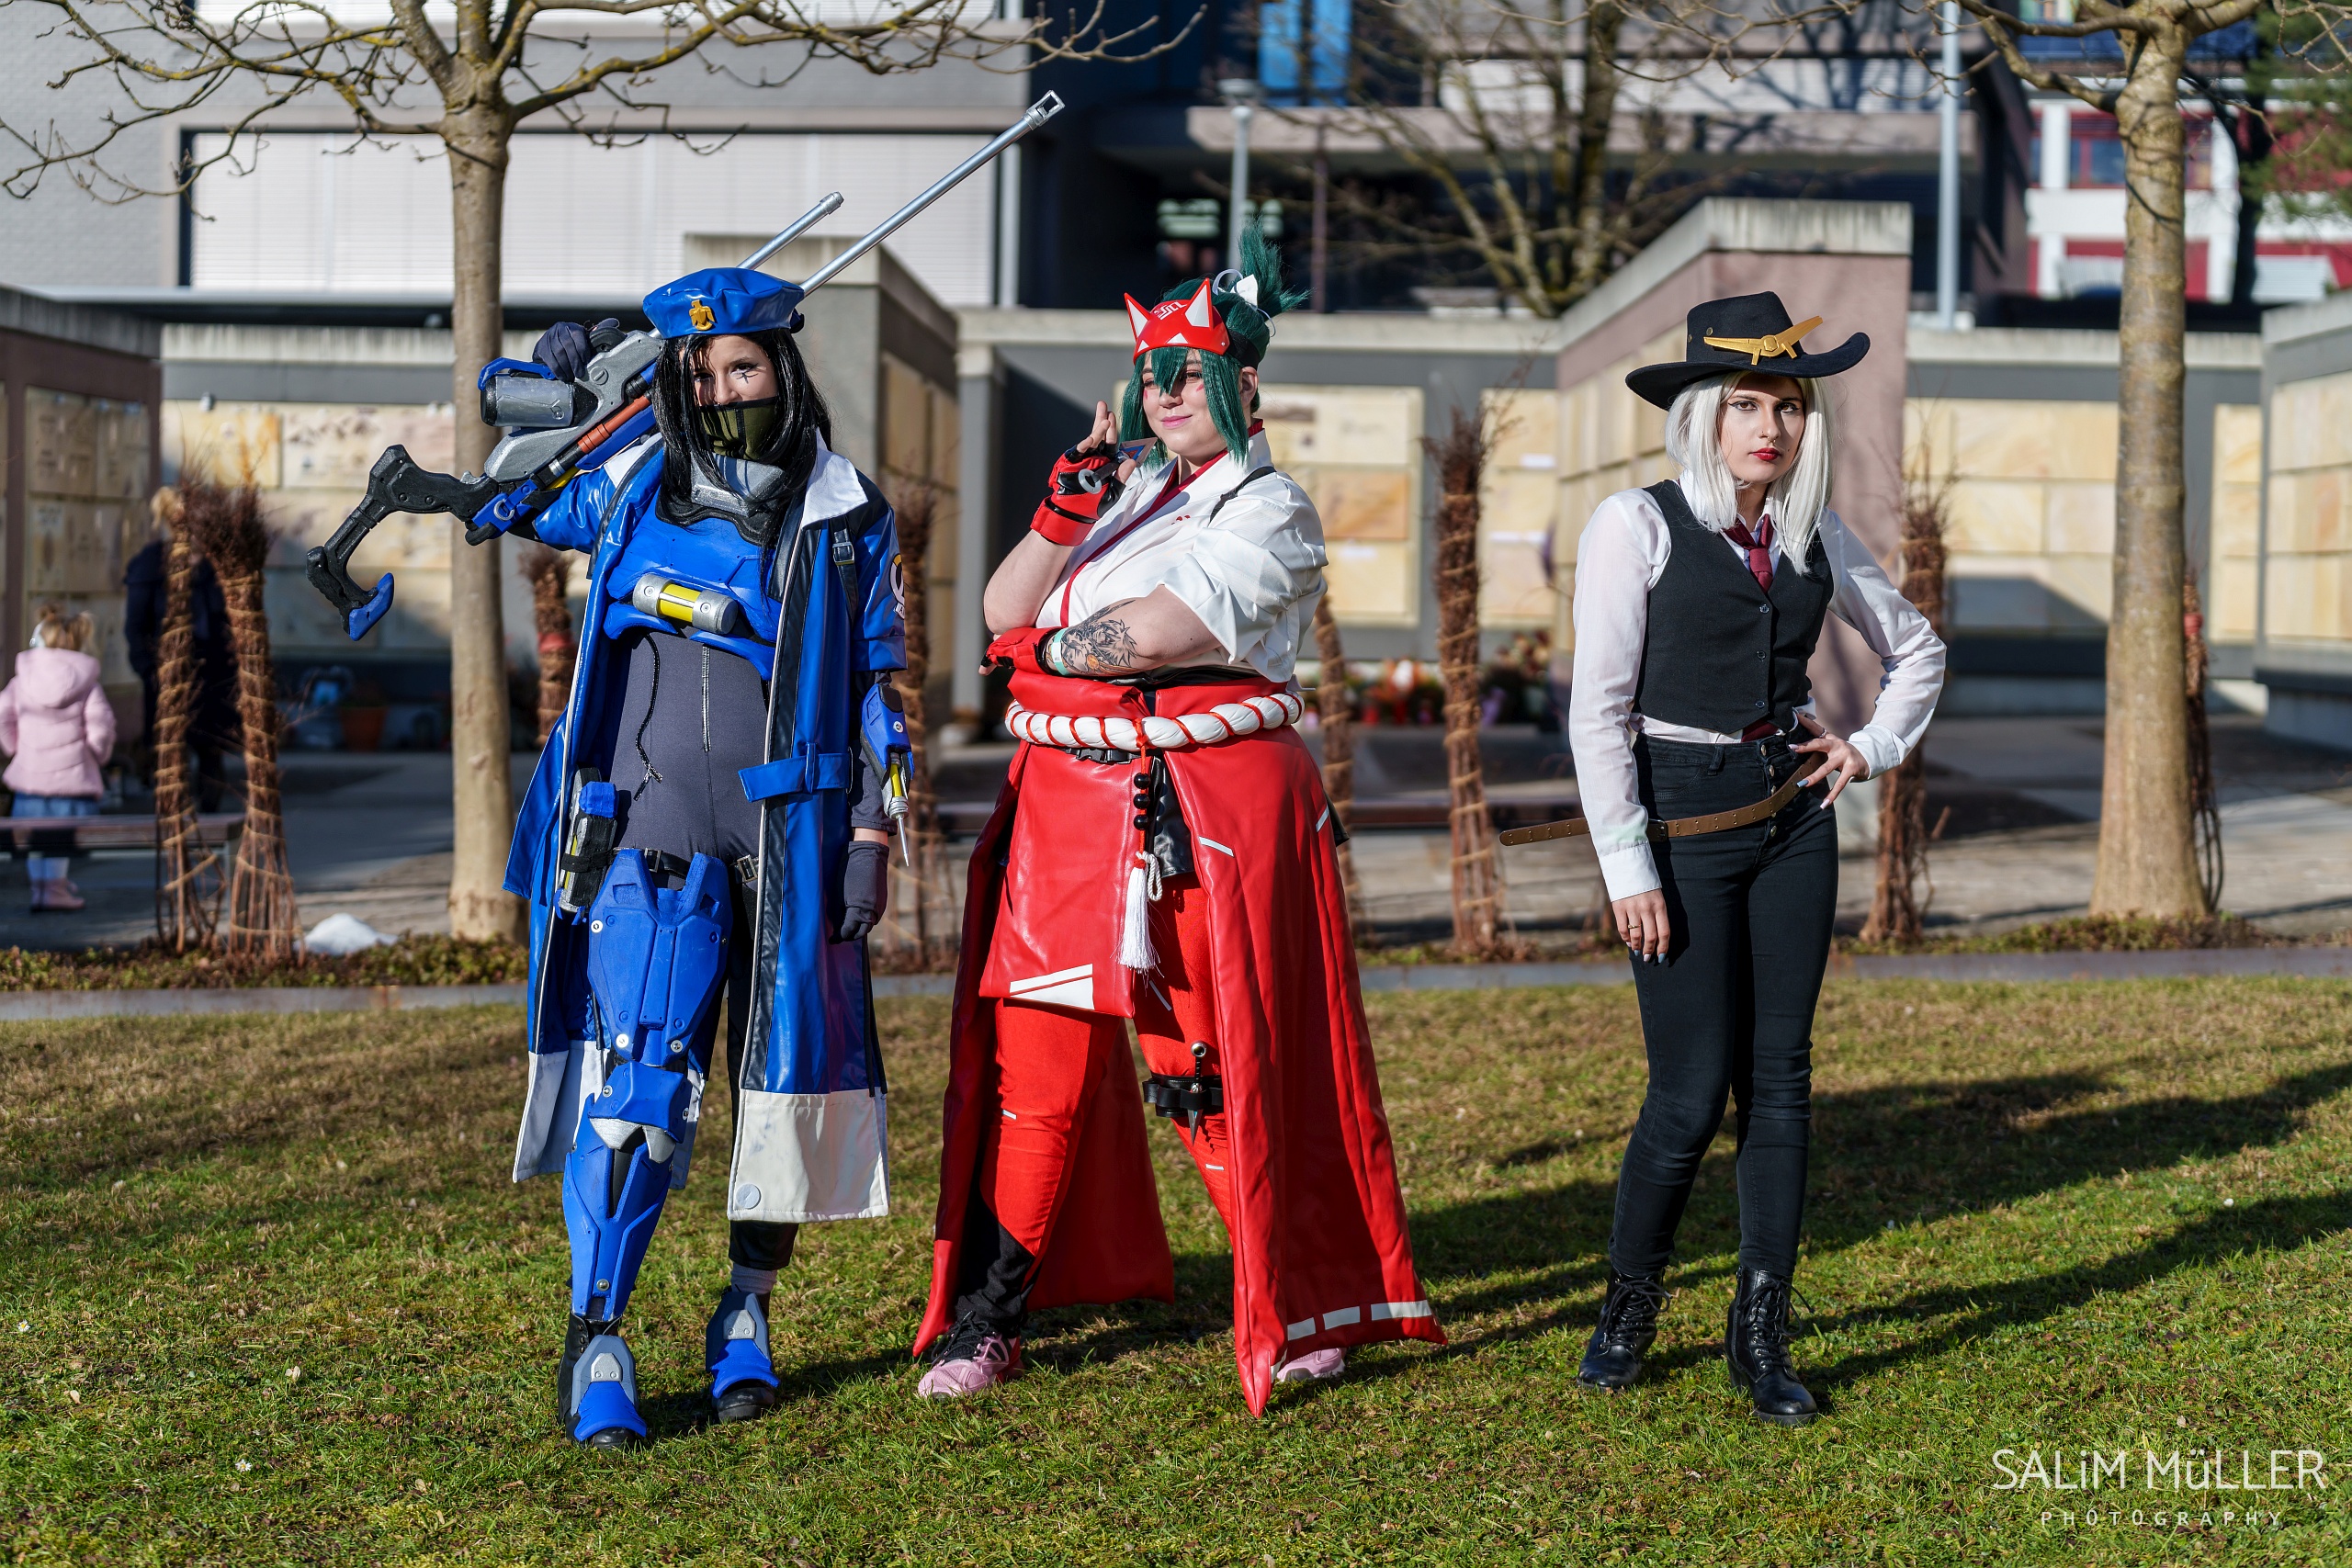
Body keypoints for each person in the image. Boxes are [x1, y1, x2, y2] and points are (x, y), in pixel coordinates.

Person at [913, 229, 1442, 1415]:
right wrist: (1062, 514)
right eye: (1150, 372)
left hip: (1195, 814)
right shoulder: (1126, 492)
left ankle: (1285, 1293)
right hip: (1066, 806)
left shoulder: (1272, 508)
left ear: (1242, 382)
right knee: (1034, 1071)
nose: (1163, 393)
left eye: (1188, 372)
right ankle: (991, 1319)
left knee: (1208, 1067)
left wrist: (1042, 654)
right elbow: (1000, 607)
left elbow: (1156, 635)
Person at [503, 270, 905, 1448]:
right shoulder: (627, 484)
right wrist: (557, 387)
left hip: (792, 840)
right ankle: (597, 1338)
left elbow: (880, 695)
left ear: (784, 367)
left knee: (780, 1090)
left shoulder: (846, 512)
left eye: (744, 366)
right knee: (636, 1090)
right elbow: (512, 495)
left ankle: (746, 1313)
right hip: (652, 829)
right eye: (702, 372)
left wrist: (874, 833)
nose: (725, 390)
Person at [1565, 293, 1945, 1424]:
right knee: (1687, 1094)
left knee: (1779, 1084)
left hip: (1791, 816)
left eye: (1785, 406)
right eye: (1743, 405)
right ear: (1701, 415)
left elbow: (1916, 649)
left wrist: (1869, 747)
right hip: (1678, 820)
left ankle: (1760, 1331)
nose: (1767, 427)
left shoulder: (1814, 532)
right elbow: (1598, 714)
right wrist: (1626, 867)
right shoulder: (1633, 525)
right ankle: (1629, 1307)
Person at [124, 489, 238, 810]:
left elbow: (232, 622)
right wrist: (150, 671)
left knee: (211, 754)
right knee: (171, 755)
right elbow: (136, 626)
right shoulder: (152, 564)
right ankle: (176, 816)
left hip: (213, 676)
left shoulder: (218, 565)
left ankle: (209, 816)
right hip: (168, 676)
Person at [0, 604, 118, 913]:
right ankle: (55, 887)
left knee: (32, 833)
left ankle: (41, 888)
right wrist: (96, 755)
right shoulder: (86, 683)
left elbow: (3, 715)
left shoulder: (21, 680)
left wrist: (14, 748)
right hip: (72, 776)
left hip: (30, 774)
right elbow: (101, 726)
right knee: (61, 836)